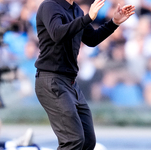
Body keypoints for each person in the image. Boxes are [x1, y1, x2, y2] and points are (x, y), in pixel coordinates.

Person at [35, 0, 135, 149]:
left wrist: (114, 22)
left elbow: (91, 39)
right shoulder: (50, 5)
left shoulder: (76, 10)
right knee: (73, 140)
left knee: (88, 141)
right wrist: (88, 17)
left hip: (70, 83)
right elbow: (57, 33)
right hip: (51, 80)